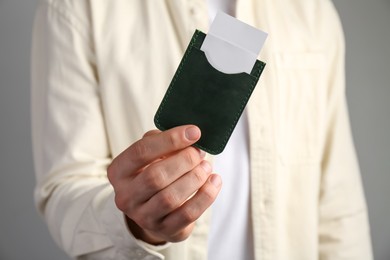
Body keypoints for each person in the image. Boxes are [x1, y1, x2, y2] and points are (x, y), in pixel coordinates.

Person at [31, 0, 373, 259]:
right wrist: (134, 224)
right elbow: (64, 187)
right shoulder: (79, 7)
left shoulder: (312, 12)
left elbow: (338, 207)